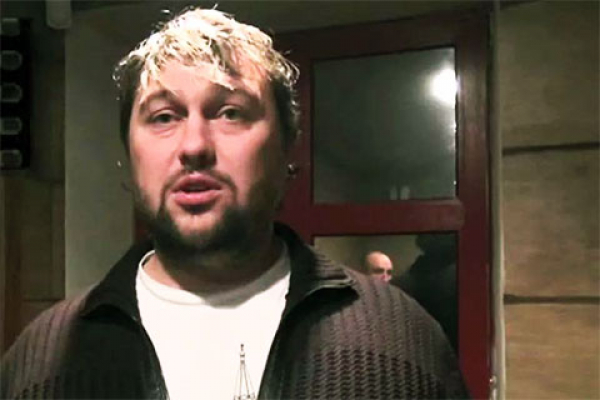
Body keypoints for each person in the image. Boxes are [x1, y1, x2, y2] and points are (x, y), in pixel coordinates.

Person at [1, 8, 468, 399]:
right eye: (163, 117)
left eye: (230, 113)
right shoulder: (42, 362)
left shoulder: (400, 341)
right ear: (129, 156)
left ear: (285, 150)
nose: (194, 146)